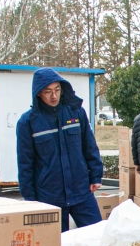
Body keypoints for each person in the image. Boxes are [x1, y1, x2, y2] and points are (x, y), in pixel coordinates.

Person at [16, 68, 104, 232]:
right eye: (47, 91)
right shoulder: (28, 122)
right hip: (49, 195)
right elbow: (25, 162)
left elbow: (89, 146)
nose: (53, 96)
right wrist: (30, 197)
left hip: (81, 190)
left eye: (57, 90)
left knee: (97, 236)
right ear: (38, 94)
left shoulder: (76, 113)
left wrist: (95, 175)